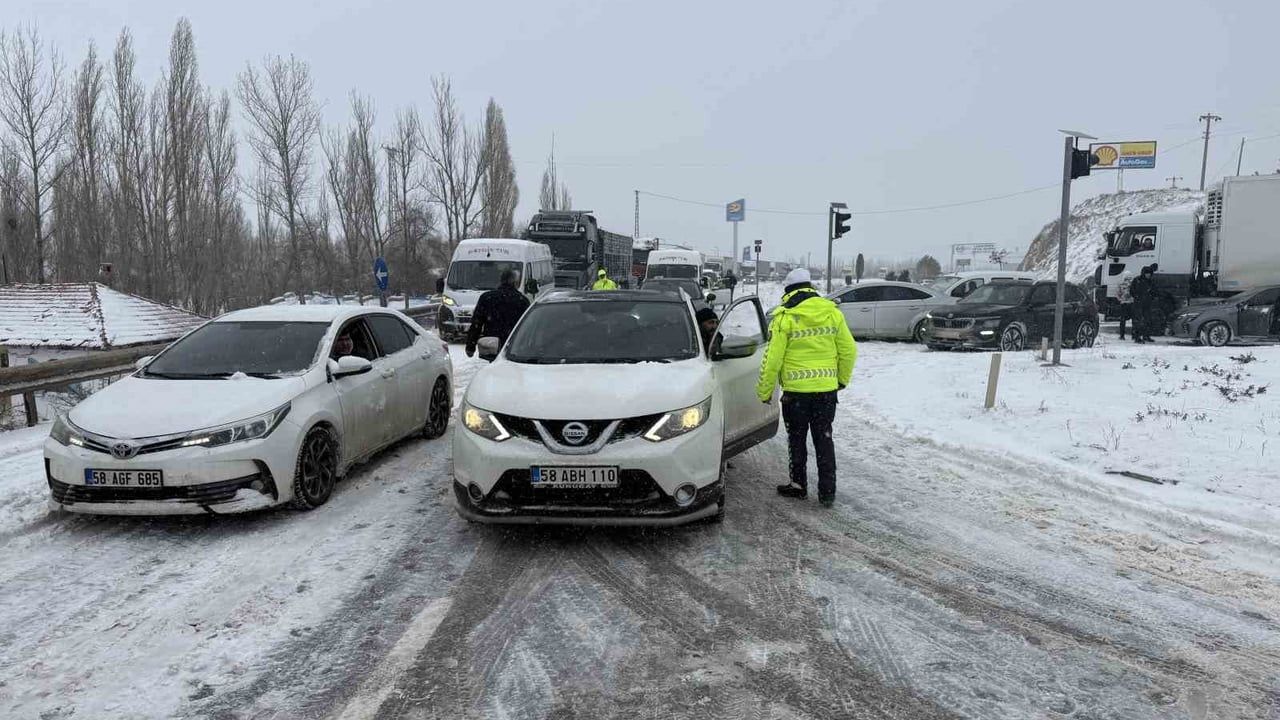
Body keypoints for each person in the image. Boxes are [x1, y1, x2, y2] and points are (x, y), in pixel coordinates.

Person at [756, 267, 857, 508]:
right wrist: (841, 380)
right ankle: (827, 492)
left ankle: (798, 485)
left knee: (797, 440)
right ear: (810, 287)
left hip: (796, 395)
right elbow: (849, 350)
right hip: (826, 393)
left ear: (788, 290)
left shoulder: (785, 317)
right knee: (824, 440)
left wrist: (765, 391)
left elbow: (772, 359)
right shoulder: (832, 313)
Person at [465, 269, 531, 360]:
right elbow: (529, 327)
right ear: (515, 282)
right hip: (514, 347)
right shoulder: (522, 301)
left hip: (491, 345)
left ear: (501, 280)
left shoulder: (487, 298)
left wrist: (470, 346)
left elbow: (477, 323)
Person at [1130, 264, 1156, 343]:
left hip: (1147, 303)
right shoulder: (1137, 280)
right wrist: (1136, 296)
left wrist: (1152, 297)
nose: (1148, 275)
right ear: (1144, 273)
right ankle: (1137, 337)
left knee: (1147, 320)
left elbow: (1154, 291)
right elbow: (1132, 290)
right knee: (1138, 320)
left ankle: (1146, 335)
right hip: (1138, 303)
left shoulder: (1151, 281)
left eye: (1150, 273)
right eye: (1147, 273)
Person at [1116, 271, 1135, 340]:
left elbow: (1118, 293)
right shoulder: (1133, 284)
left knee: (1123, 320)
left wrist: (1120, 299)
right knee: (1134, 320)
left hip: (1124, 303)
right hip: (1132, 303)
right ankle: (1134, 335)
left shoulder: (1121, 284)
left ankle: (1122, 335)